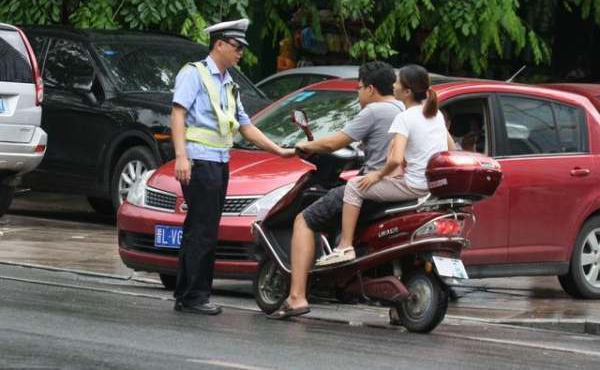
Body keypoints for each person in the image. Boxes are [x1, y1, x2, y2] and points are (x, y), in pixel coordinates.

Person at [171, 18, 294, 315]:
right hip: (200, 162)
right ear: (220, 44)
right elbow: (177, 114)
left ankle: (187, 293)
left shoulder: (229, 84)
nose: (240, 53)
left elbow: (246, 127)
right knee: (203, 230)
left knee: (200, 228)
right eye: (237, 47)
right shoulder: (194, 74)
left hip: (219, 163)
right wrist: (181, 156)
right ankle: (195, 297)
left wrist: (278, 150)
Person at [268, 61, 404, 320]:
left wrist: (304, 145)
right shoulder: (404, 109)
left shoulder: (374, 111)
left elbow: (335, 142)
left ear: (372, 89)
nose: (358, 92)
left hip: (372, 188)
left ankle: (296, 296)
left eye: (359, 88)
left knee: (305, 220)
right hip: (402, 189)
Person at [316, 64, 456, 267]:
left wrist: (377, 175)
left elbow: (395, 160)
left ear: (407, 91)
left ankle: (344, 247)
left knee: (354, 187)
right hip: (430, 184)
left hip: (414, 185)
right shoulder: (436, 115)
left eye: (397, 82)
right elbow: (450, 149)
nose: (393, 85)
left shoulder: (404, 117)